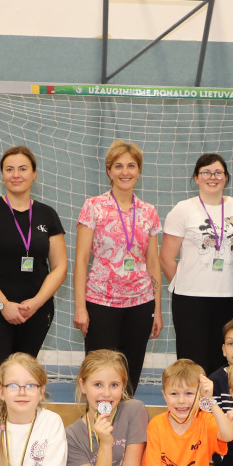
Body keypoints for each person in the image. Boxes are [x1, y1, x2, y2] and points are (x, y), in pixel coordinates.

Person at [0, 146, 67, 409]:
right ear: (2, 175)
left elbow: (59, 267)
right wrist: (2, 304)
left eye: (23, 169)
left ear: (34, 174)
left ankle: (21, 429)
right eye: (9, 169)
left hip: (35, 311)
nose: (16, 175)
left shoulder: (47, 214)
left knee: (24, 377)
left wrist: (35, 303)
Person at [73, 140, 163, 393]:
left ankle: (126, 419)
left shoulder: (149, 212)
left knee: (129, 377)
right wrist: (80, 307)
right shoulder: (93, 206)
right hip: (101, 303)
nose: (125, 172)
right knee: (100, 375)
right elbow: (81, 260)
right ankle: (97, 418)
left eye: (131, 166)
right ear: (109, 171)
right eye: (118, 166)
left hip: (140, 304)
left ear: (139, 171)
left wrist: (156, 309)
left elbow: (153, 262)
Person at [160, 153, 233, 374]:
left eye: (218, 172)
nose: (212, 177)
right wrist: (187, 283)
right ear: (196, 177)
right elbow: (166, 258)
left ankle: (218, 399)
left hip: (228, 296)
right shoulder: (183, 209)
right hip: (190, 299)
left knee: (223, 363)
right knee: (193, 364)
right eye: (206, 172)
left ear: (226, 177)